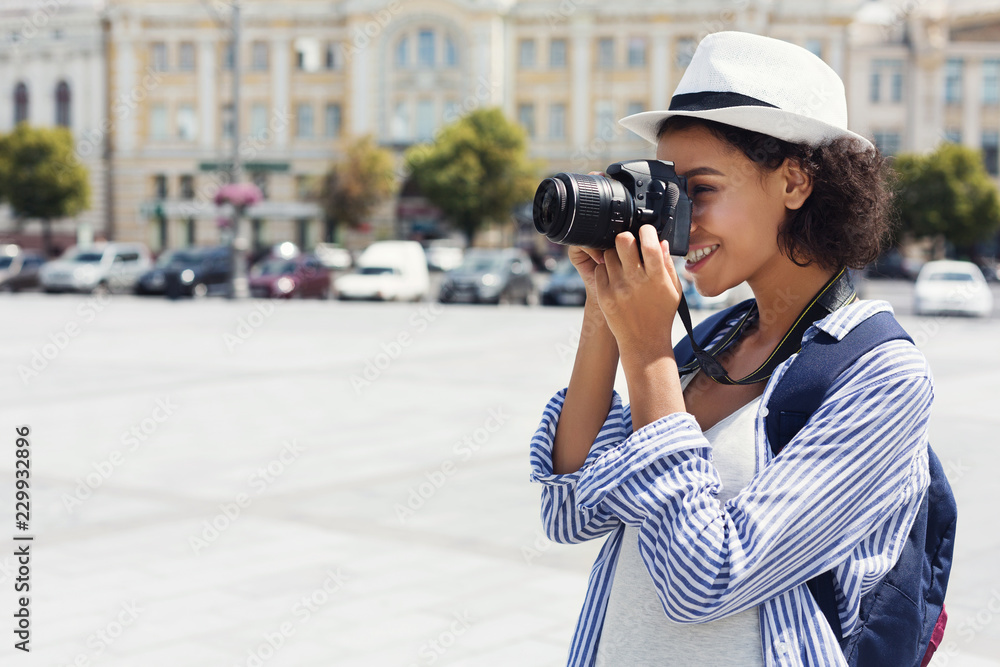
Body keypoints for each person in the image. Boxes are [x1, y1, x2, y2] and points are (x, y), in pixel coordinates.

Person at [528, 31, 933, 666]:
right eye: (662, 194)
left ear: (795, 181)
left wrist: (649, 353)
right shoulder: (715, 341)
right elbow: (569, 510)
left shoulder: (881, 374)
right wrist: (606, 306)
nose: (674, 221)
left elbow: (705, 578)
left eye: (699, 190)